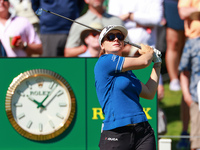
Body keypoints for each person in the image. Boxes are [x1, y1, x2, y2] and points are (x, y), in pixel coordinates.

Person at [94, 25, 162, 150]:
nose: (116, 39)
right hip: (116, 133)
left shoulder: (128, 72)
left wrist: (157, 64)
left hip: (143, 131)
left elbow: (149, 92)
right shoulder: (105, 61)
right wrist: (149, 53)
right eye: (110, 37)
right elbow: (143, 62)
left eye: (119, 37)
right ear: (102, 45)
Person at [64, 0, 131, 57]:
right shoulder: (79, 22)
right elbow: (68, 52)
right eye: (93, 34)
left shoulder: (117, 20)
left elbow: (128, 48)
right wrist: (88, 48)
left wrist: (110, 48)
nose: (97, 37)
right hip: (87, 65)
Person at [178, 0, 200, 150]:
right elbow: (184, 71)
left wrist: (195, 11)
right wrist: (187, 95)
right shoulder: (193, 43)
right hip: (196, 97)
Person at [164, 0, 186, 91]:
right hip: (172, 3)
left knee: (189, 42)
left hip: (193, 4)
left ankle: (187, 77)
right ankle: (174, 79)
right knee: (174, 43)